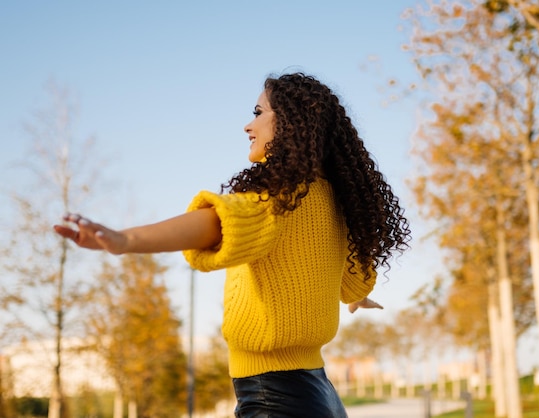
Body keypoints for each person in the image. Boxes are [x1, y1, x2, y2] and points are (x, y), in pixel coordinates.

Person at [54, 72, 411, 417]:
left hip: (275, 397)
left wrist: (123, 240)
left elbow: (215, 223)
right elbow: (348, 275)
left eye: (258, 113)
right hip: (318, 393)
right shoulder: (333, 199)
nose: (248, 125)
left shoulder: (280, 197)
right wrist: (355, 295)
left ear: (291, 122)